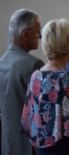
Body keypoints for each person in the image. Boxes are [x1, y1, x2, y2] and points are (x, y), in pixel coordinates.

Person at [19, 19, 69, 155]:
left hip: (43, 148)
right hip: (66, 148)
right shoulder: (65, 78)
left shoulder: (36, 75)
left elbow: (28, 119)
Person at [0, 9, 44, 155]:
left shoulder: (1, 62)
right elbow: (43, 112)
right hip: (29, 147)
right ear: (25, 34)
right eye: (38, 31)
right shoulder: (33, 65)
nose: (40, 36)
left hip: (7, 144)